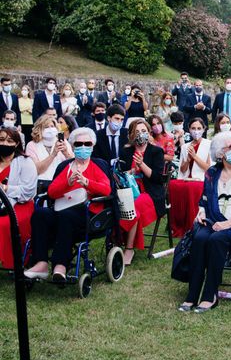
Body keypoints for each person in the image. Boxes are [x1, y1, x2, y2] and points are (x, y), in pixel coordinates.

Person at [177, 131, 231, 313]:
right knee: (199, 238)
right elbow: (204, 200)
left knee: (216, 239)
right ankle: (192, 293)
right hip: (213, 220)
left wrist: (228, 223)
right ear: (220, 153)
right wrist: (201, 213)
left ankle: (210, 295)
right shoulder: (212, 172)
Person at [25, 128, 111, 280]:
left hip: (87, 213)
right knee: (40, 213)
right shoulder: (65, 166)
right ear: (73, 145)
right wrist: (68, 182)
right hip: (62, 209)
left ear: (92, 146)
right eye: (79, 143)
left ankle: (60, 264)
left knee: (66, 216)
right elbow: (51, 192)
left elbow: (106, 189)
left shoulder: (97, 166)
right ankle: (41, 262)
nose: (83, 147)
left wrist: (87, 182)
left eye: (87, 143)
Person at [118, 119, 165, 265]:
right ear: (131, 134)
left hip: (150, 193)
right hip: (128, 191)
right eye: (137, 132)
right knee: (117, 205)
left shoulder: (156, 151)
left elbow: (158, 178)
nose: (141, 134)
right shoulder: (126, 151)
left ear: (149, 133)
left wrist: (141, 164)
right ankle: (116, 243)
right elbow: (120, 173)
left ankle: (129, 248)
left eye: (144, 131)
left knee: (133, 207)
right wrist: (131, 171)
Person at [0, 127, 37, 270]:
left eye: (9, 141)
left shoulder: (25, 162)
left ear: (16, 144)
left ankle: (11, 262)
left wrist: (6, 189)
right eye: (1, 140)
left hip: (20, 205)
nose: (5, 144)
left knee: (3, 224)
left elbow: (28, 191)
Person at [168, 117, 211, 238]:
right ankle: (178, 223)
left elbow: (208, 168)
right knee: (173, 185)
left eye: (198, 128)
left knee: (191, 188)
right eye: (193, 128)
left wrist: (195, 156)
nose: (196, 131)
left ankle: (193, 223)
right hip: (187, 178)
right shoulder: (185, 146)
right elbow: (182, 169)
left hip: (201, 179)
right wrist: (187, 159)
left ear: (203, 129)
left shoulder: (209, 144)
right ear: (189, 130)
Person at [26, 115, 73, 190]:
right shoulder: (31, 145)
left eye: (52, 126)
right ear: (39, 129)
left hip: (61, 183)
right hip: (40, 185)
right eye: (46, 127)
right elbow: (36, 170)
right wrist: (53, 154)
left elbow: (73, 164)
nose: (50, 129)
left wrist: (66, 153)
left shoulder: (64, 142)